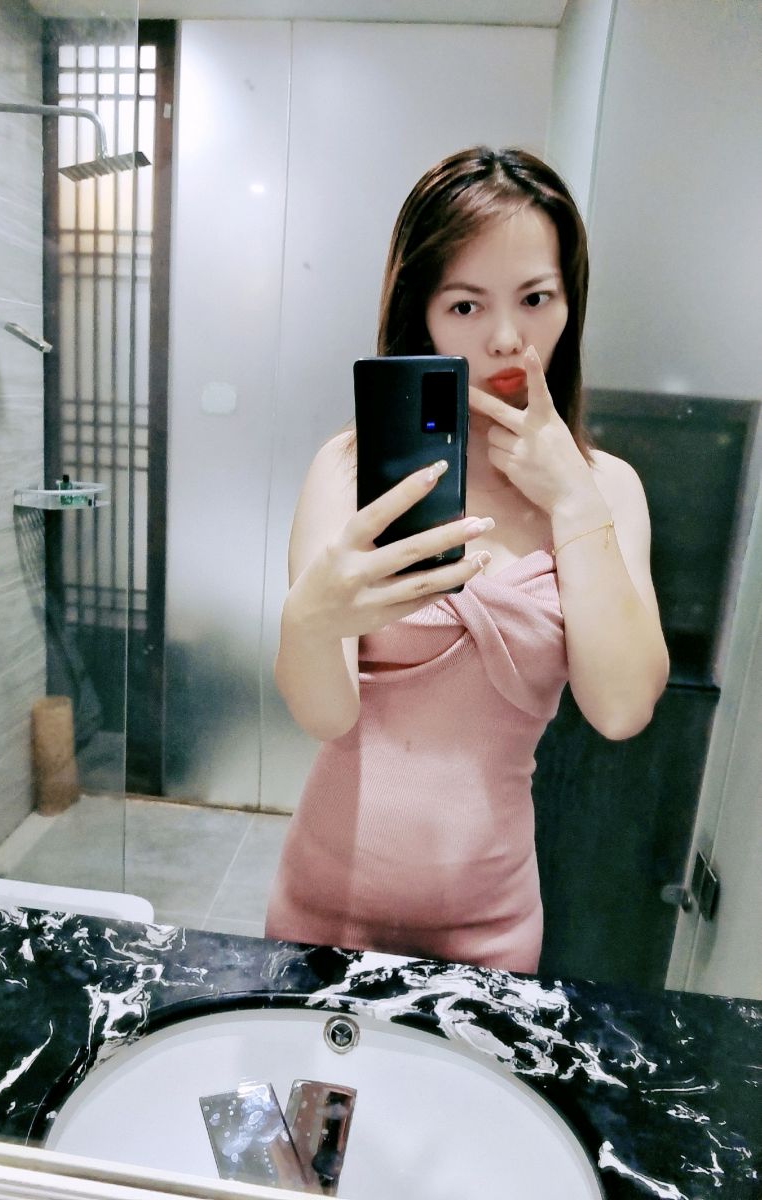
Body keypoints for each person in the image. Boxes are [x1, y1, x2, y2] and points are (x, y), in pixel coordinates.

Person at [265, 147, 669, 972]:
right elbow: (327, 715)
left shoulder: (606, 489)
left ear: (570, 303)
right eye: (465, 304)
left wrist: (572, 502)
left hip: (491, 929)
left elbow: (622, 707)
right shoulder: (348, 469)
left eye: (535, 298)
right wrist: (307, 621)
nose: (508, 338)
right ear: (424, 314)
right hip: (322, 912)